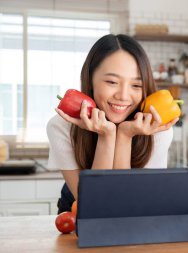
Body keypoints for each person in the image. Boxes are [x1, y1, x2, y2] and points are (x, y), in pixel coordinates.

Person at [46, 34, 178, 213]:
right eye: (112, 82)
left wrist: (124, 135)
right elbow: (95, 206)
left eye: (136, 85)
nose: (123, 96)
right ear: (90, 79)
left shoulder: (157, 129)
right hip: (76, 211)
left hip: (132, 212)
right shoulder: (62, 127)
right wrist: (106, 136)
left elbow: (126, 205)